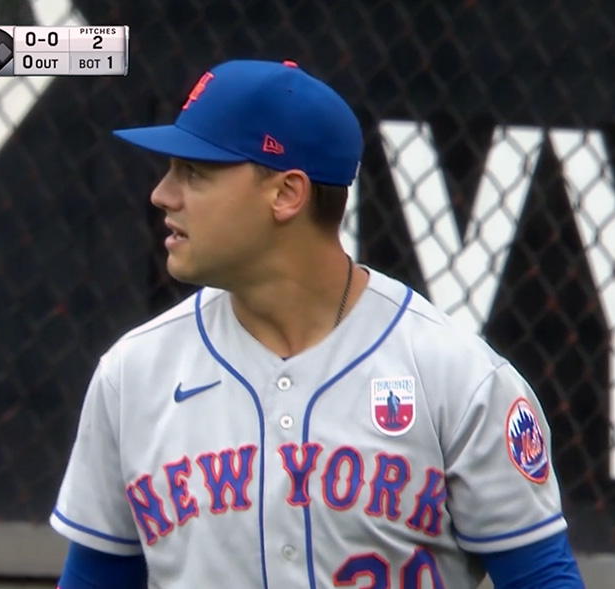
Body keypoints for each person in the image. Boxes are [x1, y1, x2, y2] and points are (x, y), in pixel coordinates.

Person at [50, 58, 584, 588]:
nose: (162, 194)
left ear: (286, 194)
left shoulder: (455, 376)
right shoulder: (134, 374)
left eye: (194, 172)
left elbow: (541, 579)